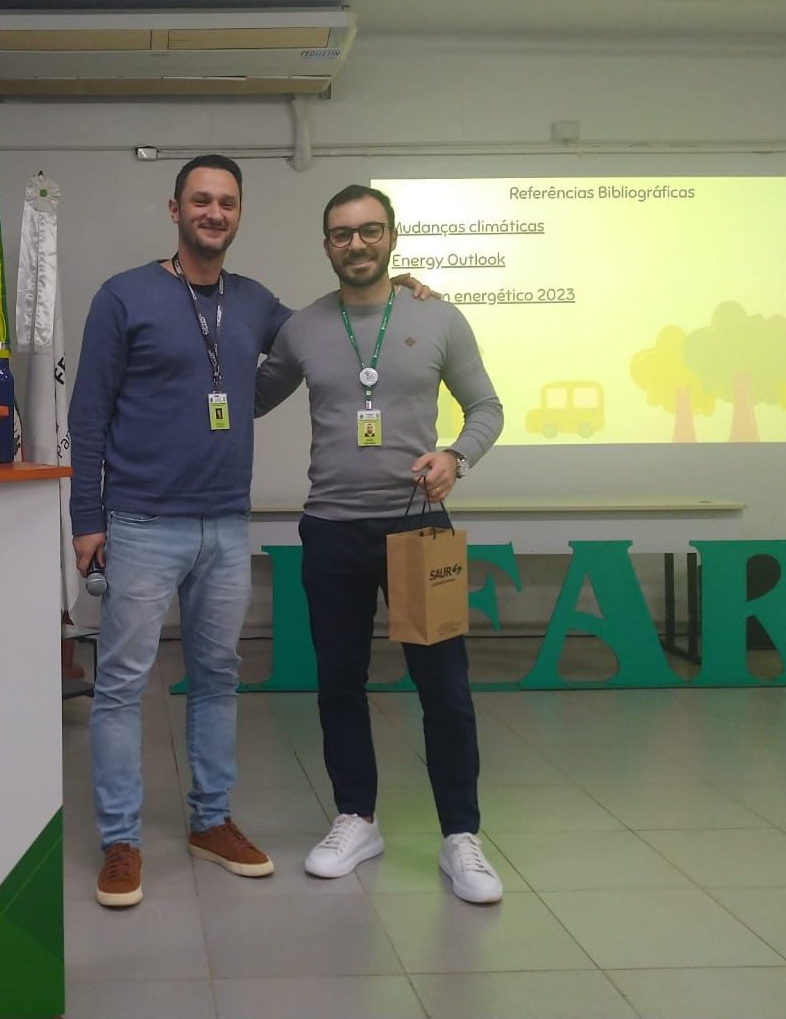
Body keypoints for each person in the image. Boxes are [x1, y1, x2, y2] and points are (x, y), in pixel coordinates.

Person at [68, 156, 428, 908]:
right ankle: (121, 841)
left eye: (227, 203)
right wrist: (86, 519)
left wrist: (394, 294)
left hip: (227, 524)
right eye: (200, 200)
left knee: (217, 680)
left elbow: (329, 330)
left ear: (239, 215)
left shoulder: (256, 301)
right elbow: (89, 412)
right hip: (140, 520)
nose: (214, 213)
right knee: (123, 686)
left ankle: (210, 820)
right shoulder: (124, 296)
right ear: (175, 210)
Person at [254, 183, 507, 904]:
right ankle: (356, 818)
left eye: (370, 231)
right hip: (331, 529)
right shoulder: (302, 328)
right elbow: (250, 398)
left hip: (417, 527)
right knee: (339, 682)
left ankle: (460, 835)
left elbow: (486, 407)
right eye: (342, 234)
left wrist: (456, 456)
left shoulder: (438, 317)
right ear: (326, 245)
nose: (357, 244)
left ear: (391, 237)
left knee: (445, 688)